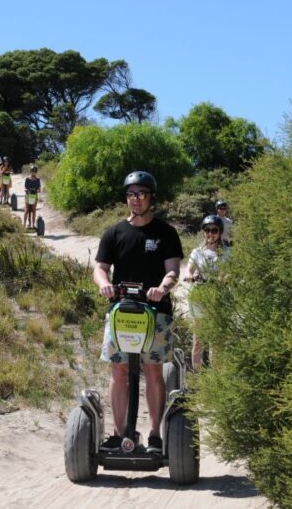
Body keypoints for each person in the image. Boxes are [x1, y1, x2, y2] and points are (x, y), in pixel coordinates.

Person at [93, 170, 183, 454]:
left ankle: (155, 434)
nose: (136, 199)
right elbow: (100, 268)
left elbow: (173, 271)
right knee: (118, 371)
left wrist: (162, 287)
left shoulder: (166, 233)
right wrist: (105, 284)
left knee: (153, 371)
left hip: (155, 313)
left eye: (141, 194)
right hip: (121, 312)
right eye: (131, 194)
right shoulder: (114, 232)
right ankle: (121, 434)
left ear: (151, 198)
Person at [182, 214, 230, 370]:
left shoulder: (227, 251)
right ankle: (197, 378)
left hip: (218, 296)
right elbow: (189, 269)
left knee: (217, 339)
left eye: (214, 230)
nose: (210, 233)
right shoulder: (198, 251)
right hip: (200, 296)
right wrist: (190, 276)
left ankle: (216, 378)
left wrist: (226, 277)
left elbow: (231, 270)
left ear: (220, 232)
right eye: (207, 230)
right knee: (198, 338)